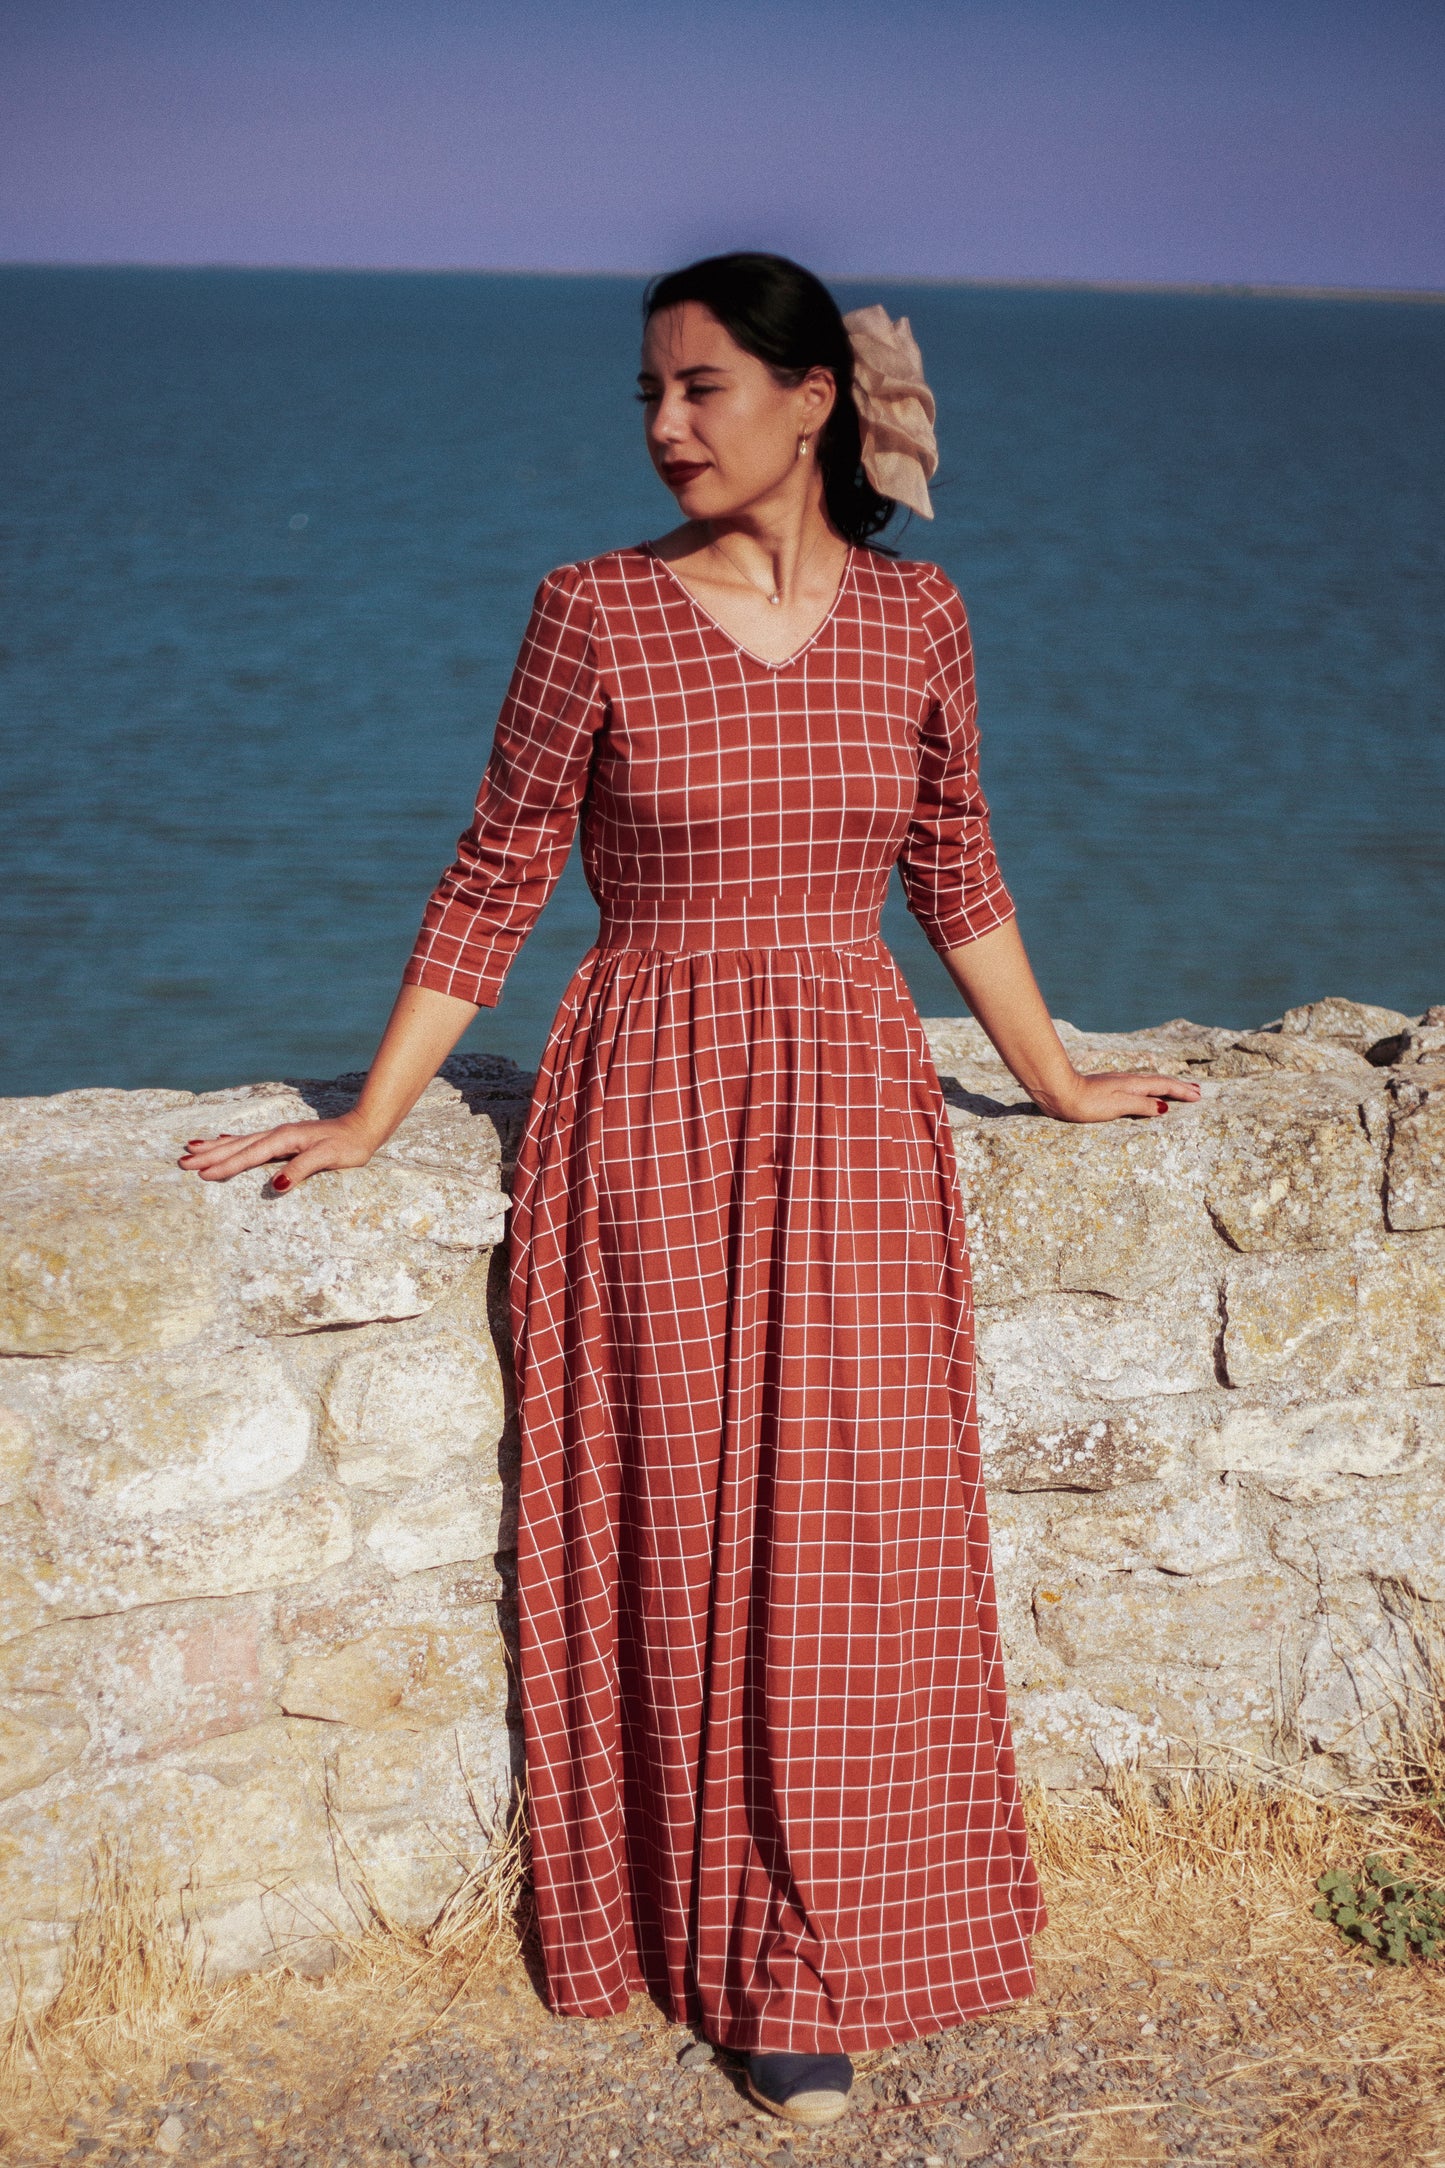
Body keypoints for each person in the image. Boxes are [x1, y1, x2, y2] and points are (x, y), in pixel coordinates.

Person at [180, 251, 1200, 2130]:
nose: (660, 428)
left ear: (812, 400)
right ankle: (742, 1957)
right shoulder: (592, 613)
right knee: (686, 1521)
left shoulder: (921, 619)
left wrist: (1054, 1081)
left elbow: (953, 867)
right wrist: (368, 1121)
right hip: (645, 1096)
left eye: (701, 389)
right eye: (646, 394)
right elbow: (493, 881)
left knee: (857, 1529)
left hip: (857, 1101)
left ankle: (878, 1915)